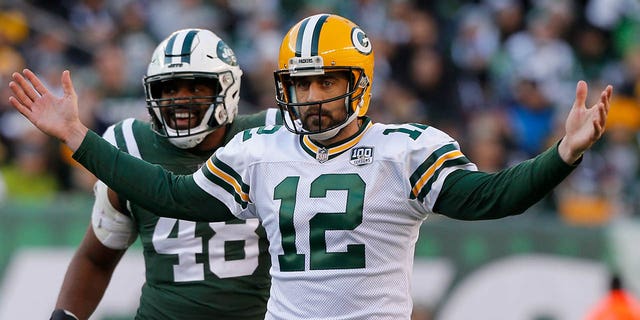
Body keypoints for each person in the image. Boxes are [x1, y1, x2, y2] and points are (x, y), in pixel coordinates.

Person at [9, 13, 613, 320]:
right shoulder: (260, 150)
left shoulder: (407, 147)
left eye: (327, 81)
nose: (312, 95)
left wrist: (563, 154)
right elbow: (175, 195)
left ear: (360, 84)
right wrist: (78, 138)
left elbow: (492, 197)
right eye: (301, 83)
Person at [48, 28, 278, 320]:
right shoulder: (132, 145)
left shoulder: (267, 140)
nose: (179, 99)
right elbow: (97, 257)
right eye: (168, 89)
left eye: (195, 88)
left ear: (227, 88)